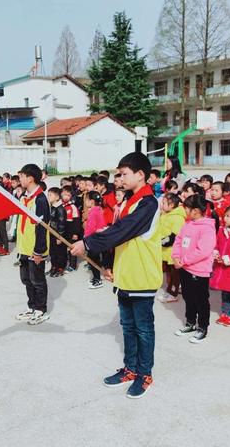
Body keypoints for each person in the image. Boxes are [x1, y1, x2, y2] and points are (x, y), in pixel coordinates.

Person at [71, 152, 162, 399]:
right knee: (128, 326)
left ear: (141, 175)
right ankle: (130, 369)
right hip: (125, 276)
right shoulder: (127, 203)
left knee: (143, 329)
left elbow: (122, 231)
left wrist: (88, 244)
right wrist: (110, 265)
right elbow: (117, 237)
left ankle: (145, 374)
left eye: (124, 173)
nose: (119, 178)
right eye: (119, 174)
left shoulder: (148, 204)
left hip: (142, 277)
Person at [172, 195, 216, 343]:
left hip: (199, 271)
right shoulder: (188, 224)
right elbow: (178, 240)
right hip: (184, 268)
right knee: (188, 297)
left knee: (201, 300)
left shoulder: (207, 228)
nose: (184, 210)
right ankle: (190, 323)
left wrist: (183, 261)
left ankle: (202, 327)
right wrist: (176, 256)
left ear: (196, 210)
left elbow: (203, 251)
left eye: (186, 208)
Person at [15, 164, 51, 326]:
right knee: (26, 279)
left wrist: (38, 251)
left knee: (37, 279)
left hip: (36, 248)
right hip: (24, 247)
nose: (19, 179)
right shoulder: (24, 197)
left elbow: (42, 228)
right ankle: (32, 306)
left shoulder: (41, 199)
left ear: (30, 178)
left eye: (22, 176)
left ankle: (41, 309)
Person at [158, 193, 186, 303]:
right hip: (166, 251)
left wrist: (163, 242)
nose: (162, 205)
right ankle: (171, 289)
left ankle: (173, 293)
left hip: (173, 251)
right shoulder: (165, 215)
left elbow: (175, 236)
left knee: (175, 274)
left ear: (172, 205)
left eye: (164, 203)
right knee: (169, 273)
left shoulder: (178, 218)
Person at [84, 191, 106, 289]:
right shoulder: (98, 209)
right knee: (94, 259)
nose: (85, 201)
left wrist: (86, 239)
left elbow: (91, 227)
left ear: (92, 202)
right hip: (97, 238)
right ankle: (96, 277)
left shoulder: (93, 212)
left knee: (93, 260)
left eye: (86, 199)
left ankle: (97, 279)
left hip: (93, 239)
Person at [61, 185, 82, 273]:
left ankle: (72, 266)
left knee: (72, 249)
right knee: (63, 248)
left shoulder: (73, 207)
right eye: (64, 194)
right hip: (63, 231)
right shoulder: (60, 205)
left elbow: (77, 221)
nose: (66, 197)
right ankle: (65, 263)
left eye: (68, 195)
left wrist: (76, 233)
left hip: (71, 231)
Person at [47, 187, 67, 277]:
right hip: (51, 233)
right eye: (48, 194)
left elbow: (62, 223)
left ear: (57, 197)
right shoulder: (51, 207)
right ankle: (54, 266)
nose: (48, 196)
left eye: (50, 195)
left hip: (58, 235)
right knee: (53, 252)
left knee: (60, 252)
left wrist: (60, 236)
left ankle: (60, 268)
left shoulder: (60, 209)